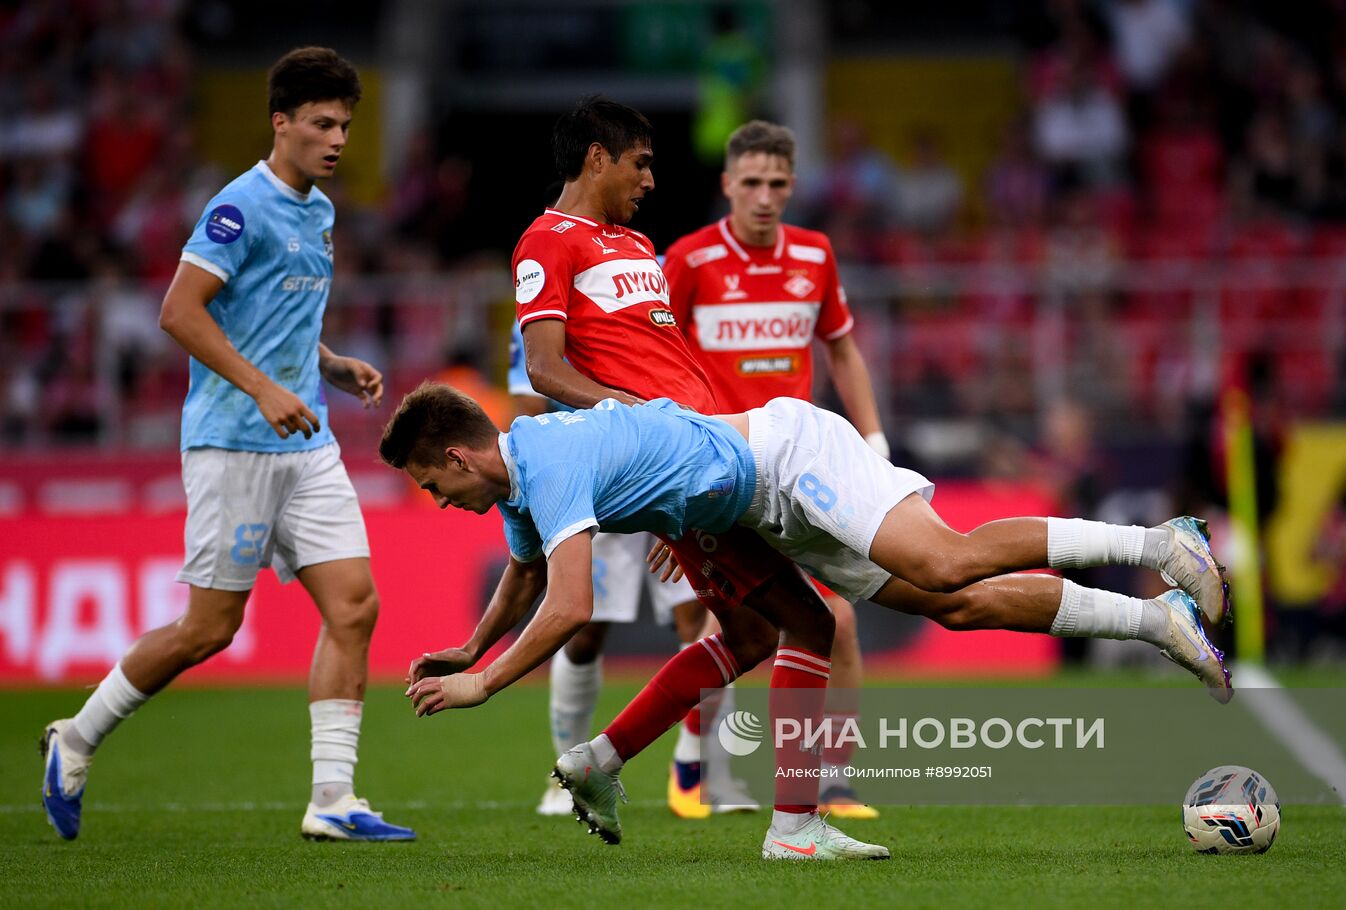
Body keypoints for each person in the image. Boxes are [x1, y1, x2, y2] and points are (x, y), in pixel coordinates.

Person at [385, 385, 1232, 860]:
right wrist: (471, 643)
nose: (438, 502)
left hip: (787, 460)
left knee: (945, 563)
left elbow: (569, 605)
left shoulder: (549, 459)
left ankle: (1160, 539)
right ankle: (1157, 621)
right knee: (934, 610)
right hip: (732, 510)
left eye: (432, 485)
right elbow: (527, 575)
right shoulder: (520, 484)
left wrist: (484, 682)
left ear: (457, 456)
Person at [39, 47, 414, 843]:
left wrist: (328, 364)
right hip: (233, 444)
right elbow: (181, 311)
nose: (337, 138)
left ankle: (333, 800)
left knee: (355, 605)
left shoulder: (319, 210)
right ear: (280, 124)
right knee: (209, 629)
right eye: (321, 124)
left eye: (345, 124)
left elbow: (269, 316)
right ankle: (75, 737)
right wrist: (263, 389)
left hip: (303, 442)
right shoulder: (238, 208)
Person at [507, 95, 881, 859]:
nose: (651, 178)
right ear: (597, 158)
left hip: (713, 457)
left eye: (781, 183)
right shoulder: (553, 243)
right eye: (640, 162)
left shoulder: (641, 247)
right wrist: (650, 441)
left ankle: (624, 763)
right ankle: (785, 821)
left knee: (753, 629)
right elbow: (543, 368)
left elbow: (671, 368)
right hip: (656, 459)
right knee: (812, 619)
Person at [663, 119, 883, 819]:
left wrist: (872, 438)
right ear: (727, 183)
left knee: (839, 623)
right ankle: (695, 760)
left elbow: (842, 349)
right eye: (751, 182)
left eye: (778, 183)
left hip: (804, 468)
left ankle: (831, 780)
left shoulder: (815, 255)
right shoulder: (691, 261)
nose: (764, 196)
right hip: (720, 469)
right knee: (726, 625)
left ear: (793, 186)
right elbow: (662, 367)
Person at [505, 320, 714, 817]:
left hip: (667, 470)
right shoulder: (543, 314)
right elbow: (526, 407)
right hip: (593, 486)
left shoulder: (661, 284)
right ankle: (566, 773)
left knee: (699, 615)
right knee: (584, 629)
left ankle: (695, 767)